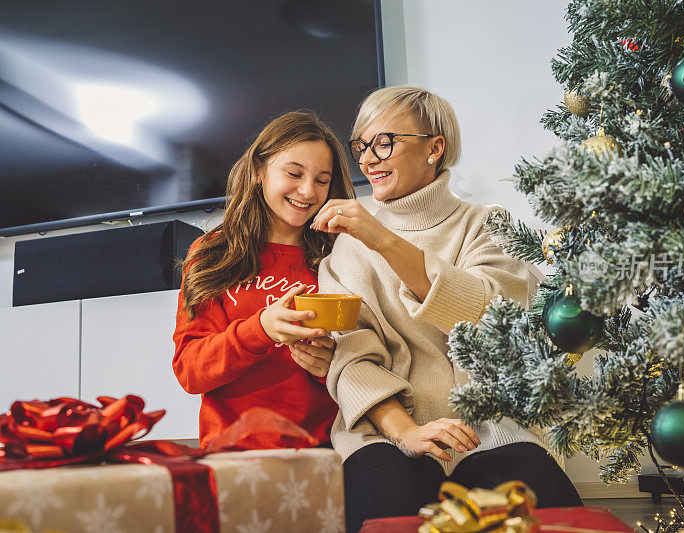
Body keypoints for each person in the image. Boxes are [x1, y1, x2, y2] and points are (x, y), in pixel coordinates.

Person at [311, 87, 582, 531]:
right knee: (385, 503)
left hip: (488, 428)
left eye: (385, 142)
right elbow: (352, 358)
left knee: (548, 511)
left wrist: (383, 239)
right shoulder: (348, 245)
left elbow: (492, 318)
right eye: (361, 146)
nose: (367, 161)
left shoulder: (486, 224)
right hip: (386, 431)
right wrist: (407, 433)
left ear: (435, 147)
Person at [173, 111, 355, 449]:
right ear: (259, 169)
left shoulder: (342, 255)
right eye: (294, 173)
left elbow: (368, 359)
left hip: (325, 451)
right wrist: (261, 330)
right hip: (233, 455)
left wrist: (328, 366)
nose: (307, 191)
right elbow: (190, 370)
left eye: (322, 179)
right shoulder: (214, 253)